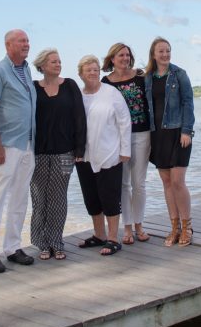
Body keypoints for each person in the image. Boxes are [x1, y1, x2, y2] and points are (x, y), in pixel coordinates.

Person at [0, 29, 37, 273]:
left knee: (20, 197)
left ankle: (13, 247)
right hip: (6, 145)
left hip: (28, 144)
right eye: (21, 41)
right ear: (8, 45)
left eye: (27, 41)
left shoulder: (26, 70)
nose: (26, 44)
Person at [30, 48, 87, 261]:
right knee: (38, 198)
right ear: (42, 65)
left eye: (59, 61)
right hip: (38, 153)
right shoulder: (34, 88)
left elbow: (80, 118)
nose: (58, 64)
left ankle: (56, 242)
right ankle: (41, 243)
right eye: (53, 61)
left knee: (58, 199)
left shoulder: (70, 85)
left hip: (65, 152)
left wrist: (80, 150)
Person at [75, 54, 131, 256]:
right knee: (91, 197)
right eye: (88, 70)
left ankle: (113, 238)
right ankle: (99, 235)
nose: (93, 73)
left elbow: (124, 121)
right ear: (80, 73)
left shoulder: (111, 93)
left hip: (110, 154)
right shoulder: (78, 95)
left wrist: (125, 150)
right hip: (84, 156)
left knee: (110, 196)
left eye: (96, 69)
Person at [144, 37, 195, 247]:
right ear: (153, 54)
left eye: (168, 51)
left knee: (177, 181)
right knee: (166, 182)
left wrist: (187, 131)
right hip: (157, 135)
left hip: (178, 134)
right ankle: (174, 227)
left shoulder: (179, 74)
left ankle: (187, 226)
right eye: (161, 51)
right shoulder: (147, 77)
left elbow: (188, 103)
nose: (165, 54)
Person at [101, 42, 151, 245]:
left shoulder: (140, 76)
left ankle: (139, 225)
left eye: (127, 55)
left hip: (142, 134)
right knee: (123, 184)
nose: (125, 58)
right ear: (112, 59)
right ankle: (127, 227)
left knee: (139, 183)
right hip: (118, 138)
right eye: (120, 55)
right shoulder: (106, 82)